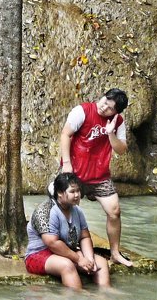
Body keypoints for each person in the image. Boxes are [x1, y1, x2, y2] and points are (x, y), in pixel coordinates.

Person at [58, 88, 132, 267]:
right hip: (75, 172)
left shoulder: (117, 122)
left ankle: (115, 253)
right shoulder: (82, 111)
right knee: (63, 209)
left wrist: (110, 133)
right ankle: (64, 251)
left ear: (116, 112)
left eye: (109, 108)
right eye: (104, 101)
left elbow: (121, 150)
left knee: (114, 210)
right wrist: (66, 163)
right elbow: (65, 135)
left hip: (100, 176)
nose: (103, 107)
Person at [25, 172, 111, 289]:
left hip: (67, 252)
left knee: (100, 263)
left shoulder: (77, 211)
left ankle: (105, 294)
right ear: (60, 193)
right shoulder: (44, 211)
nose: (77, 195)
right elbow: (52, 243)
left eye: (78, 191)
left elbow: (84, 237)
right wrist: (79, 259)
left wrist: (89, 260)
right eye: (72, 192)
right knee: (67, 265)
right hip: (38, 255)